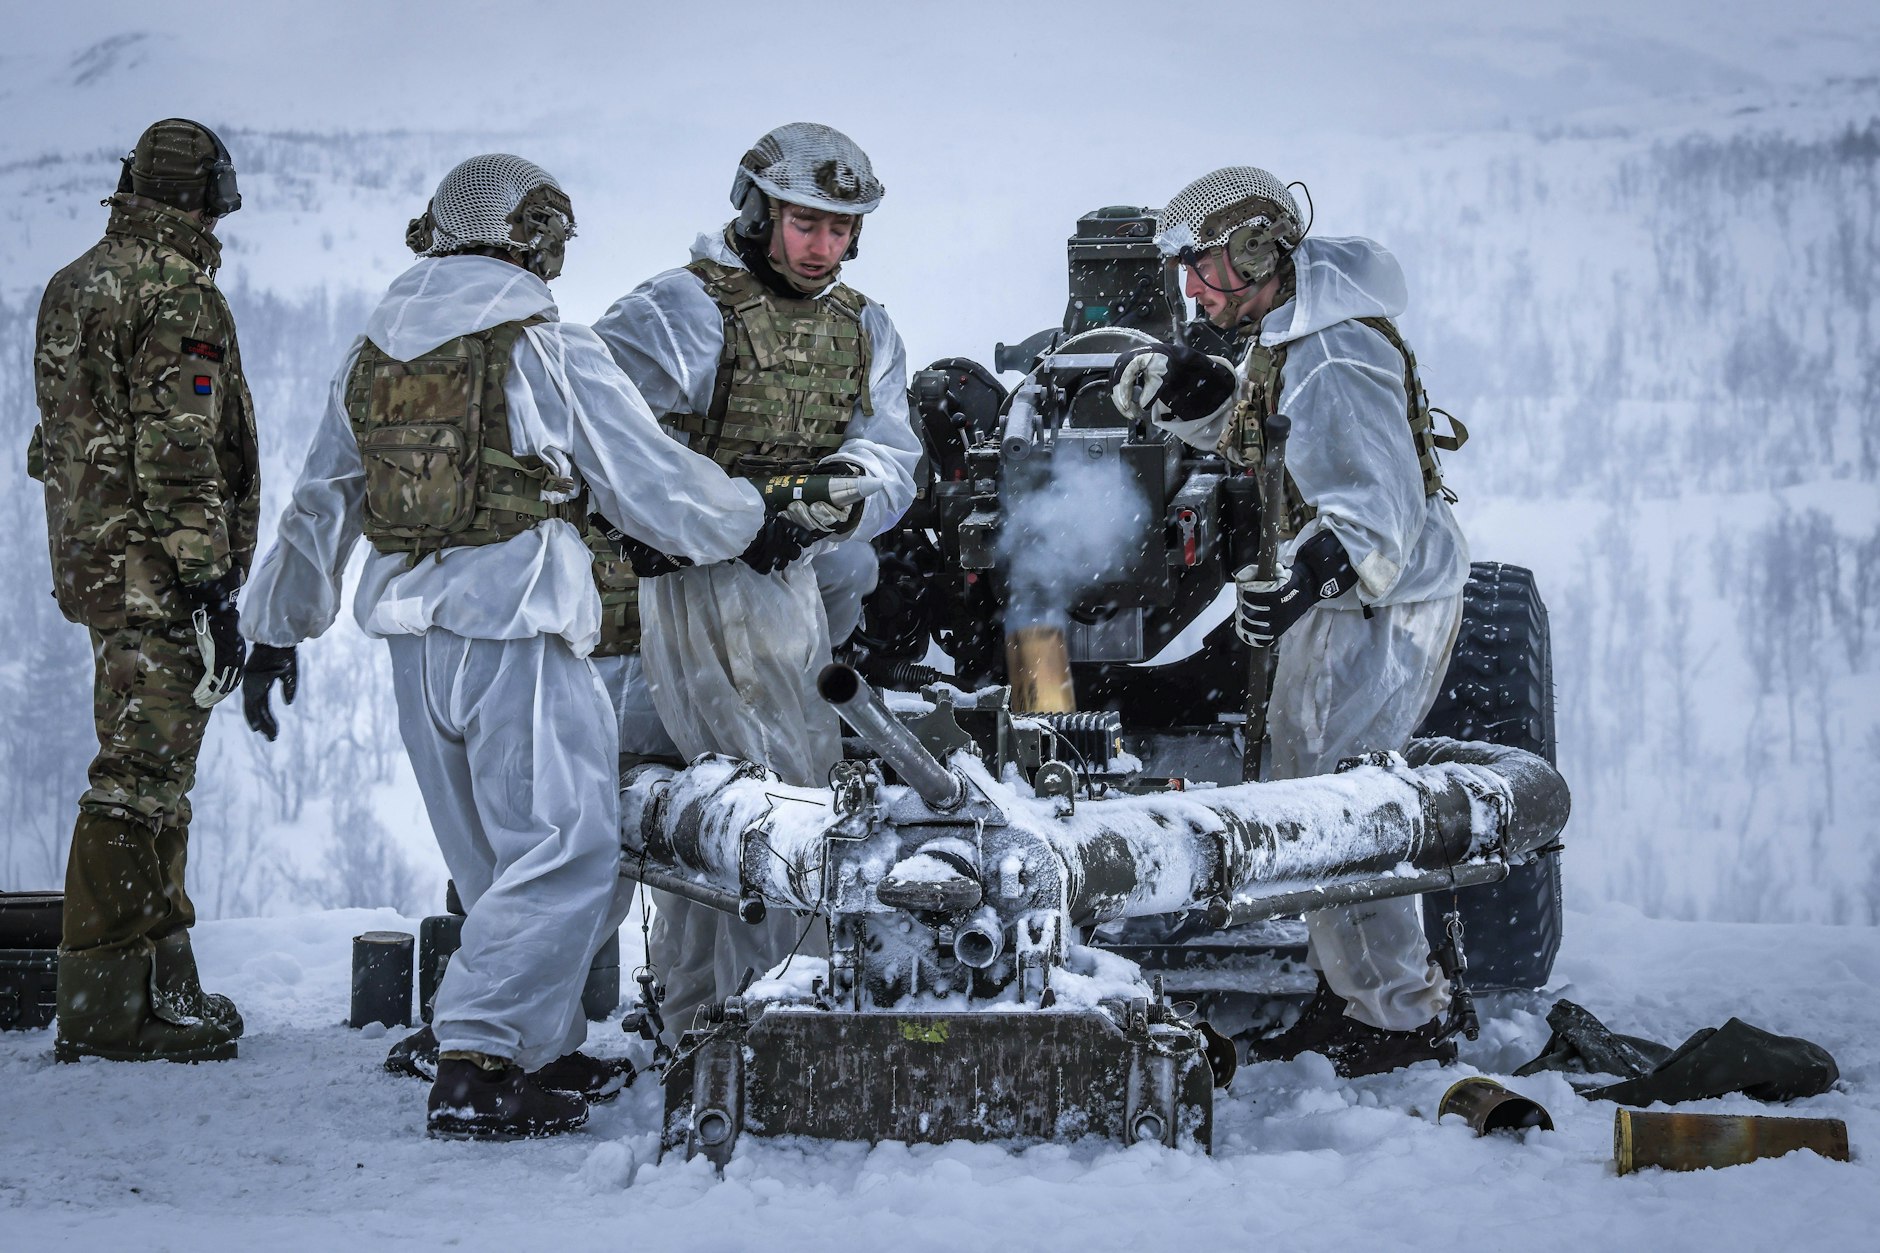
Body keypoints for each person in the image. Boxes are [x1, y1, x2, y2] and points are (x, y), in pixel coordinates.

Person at [238, 154, 765, 1138]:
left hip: (412, 641)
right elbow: (650, 484)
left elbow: (320, 504)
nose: (562, 256)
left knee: (493, 858)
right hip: (516, 625)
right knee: (567, 850)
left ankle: (539, 1041)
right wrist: (753, 518)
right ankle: (476, 1065)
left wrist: (273, 631)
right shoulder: (543, 346)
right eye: (555, 235)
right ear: (526, 235)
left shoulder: (376, 354)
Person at [1111, 166, 1471, 1077]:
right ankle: (1354, 989)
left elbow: (1378, 517)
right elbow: (1282, 435)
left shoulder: (1337, 353)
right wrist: (1206, 408)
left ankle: (1398, 1019)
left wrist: (1309, 576)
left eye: (1200, 266)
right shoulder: (1292, 335)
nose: (1191, 288)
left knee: (1343, 803)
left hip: (1377, 610)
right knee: (1317, 786)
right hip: (1352, 604)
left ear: (1255, 252)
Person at [593, 122, 919, 1032]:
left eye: (842, 229)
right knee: (704, 806)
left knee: (747, 797)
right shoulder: (681, 311)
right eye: (807, 224)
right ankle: (748, 1015)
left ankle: (726, 1014)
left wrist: (827, 500)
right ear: (758, 212)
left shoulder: (864, 328)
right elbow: (596, 424)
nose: (825, 248)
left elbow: (892, 455)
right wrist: (726, 512)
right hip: (664, 597)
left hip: (784, 597)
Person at [30, 118, 257, 1064]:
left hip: (98, 566)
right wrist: (208, 585)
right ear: (200, 193)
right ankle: (107, 1005)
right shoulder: (178, 295)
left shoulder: (73, 283)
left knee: (150, 767)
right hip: (157, 574)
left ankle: (161, 986)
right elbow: (177, 453)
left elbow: (60, 441)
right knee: (139, 778)